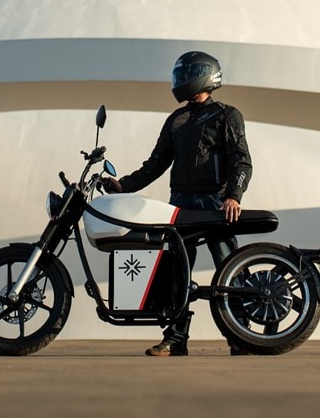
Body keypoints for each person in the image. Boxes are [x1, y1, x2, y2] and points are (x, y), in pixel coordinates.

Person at [102, 50, 253, 357]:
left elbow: (241, 160)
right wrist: (124, 185)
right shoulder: (177, 120)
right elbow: (156, 164)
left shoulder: (227, 115)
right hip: (180, 205)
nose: (181, 80)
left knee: (231, 270)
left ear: (204, 77)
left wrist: (234, 196)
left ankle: (241, 337)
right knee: (176, 273)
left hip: (215, 204)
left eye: (187, 74)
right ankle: (175, 339)